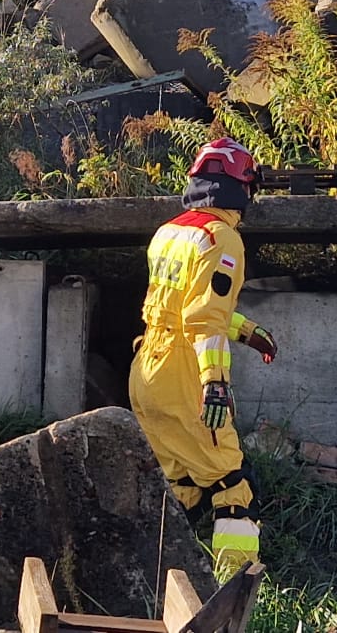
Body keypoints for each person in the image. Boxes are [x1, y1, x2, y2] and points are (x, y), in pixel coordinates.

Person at [128, 136, 280, 574]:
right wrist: (214, 383)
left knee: (178, 483)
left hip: (146, 368)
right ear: (239, 187)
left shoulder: (169, 233)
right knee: (232, 482)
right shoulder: (222, 238)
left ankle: (157, 573)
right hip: (185, 378)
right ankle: (235, 586)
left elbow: (181, 309)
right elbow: (203, 320)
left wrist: (246, 331)